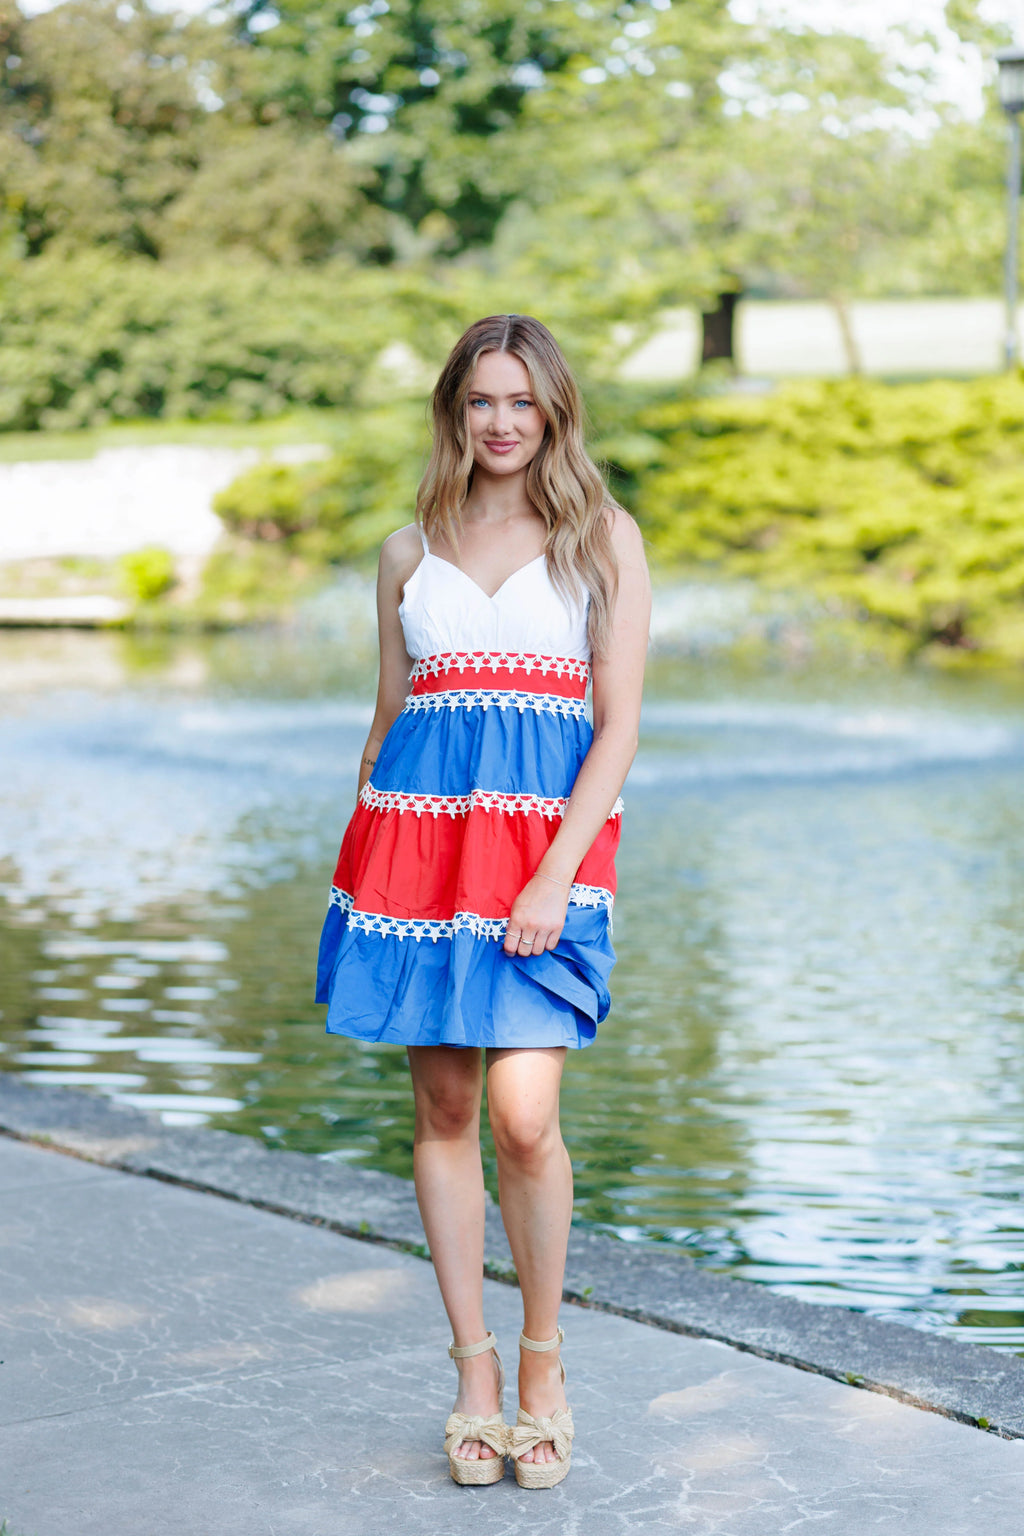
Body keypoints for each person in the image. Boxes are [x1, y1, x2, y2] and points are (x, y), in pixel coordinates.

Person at [315, 313, 650, 1488]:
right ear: (455, 412)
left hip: (542, 858)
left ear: (553, 412)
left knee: (525, 1117)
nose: (502, 423)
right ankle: (471, 1376)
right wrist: (361, 849)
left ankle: (544, 1365)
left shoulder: (600, 537)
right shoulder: (408, 552)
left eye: (523, 402)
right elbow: (390, 714)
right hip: (414, 857)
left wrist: (558, 873)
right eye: (481, 403)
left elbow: (616, 728)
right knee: (446, 1111)